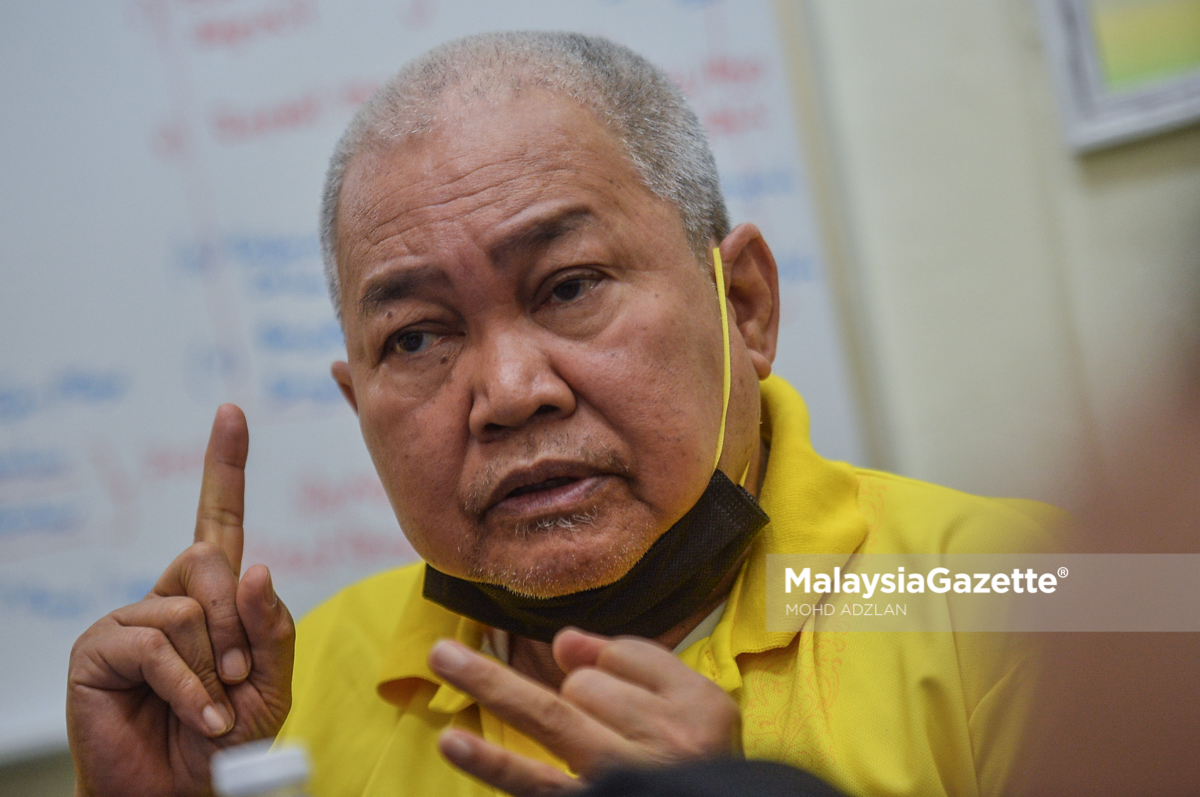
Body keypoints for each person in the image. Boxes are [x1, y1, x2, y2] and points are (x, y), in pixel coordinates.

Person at [66, 32, 1057, 797]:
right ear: (357, 403)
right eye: (415, 338)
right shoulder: (282, 697)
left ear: (744, 303)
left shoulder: (1047, 598)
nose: (508, 391)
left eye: (570, 284)